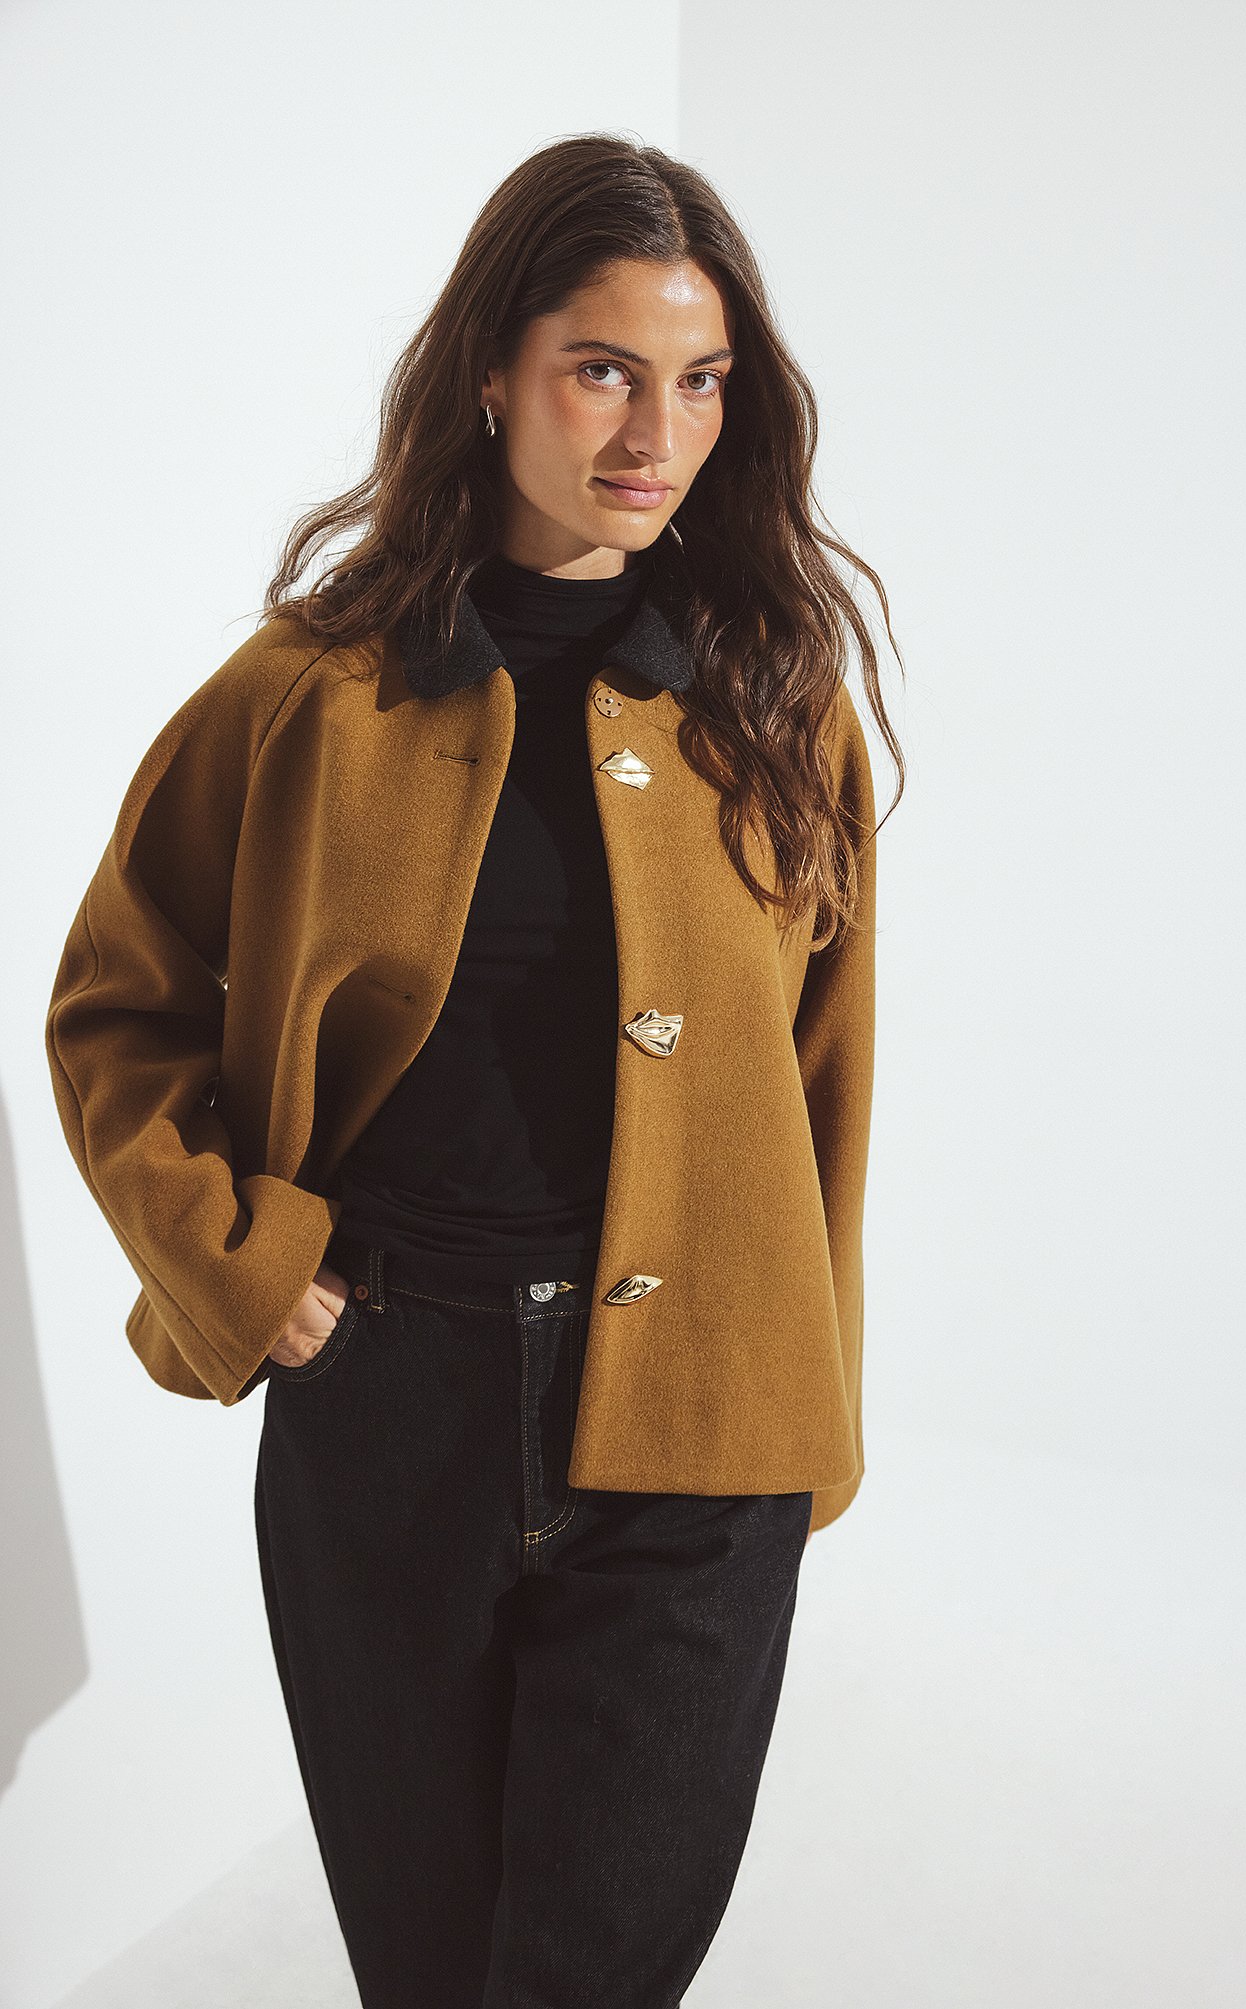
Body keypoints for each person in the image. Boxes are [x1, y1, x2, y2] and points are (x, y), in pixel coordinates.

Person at [44, 132, 904, 2009]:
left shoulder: (779, 694)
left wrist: (807, 1396)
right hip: (387, 1411)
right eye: (603, 369)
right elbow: (117, 1002)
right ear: (492, 373)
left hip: (700, 1439)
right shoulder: (310, 691)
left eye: (702, 381)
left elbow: (827, 1075)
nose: (656, 434)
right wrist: (243, 1274)